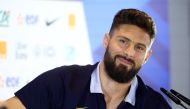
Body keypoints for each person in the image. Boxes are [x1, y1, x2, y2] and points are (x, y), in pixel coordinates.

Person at [0, 8, 172, 109]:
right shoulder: (63, 81)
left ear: (147, 56)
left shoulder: (156, 105)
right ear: (106, 41)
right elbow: (11, 106)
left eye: (139, 48)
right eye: (123, 41)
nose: (129, 53)